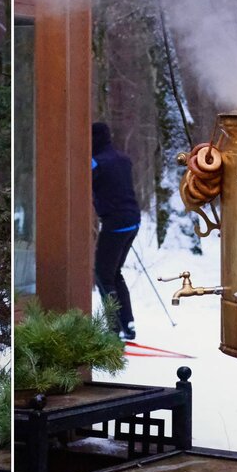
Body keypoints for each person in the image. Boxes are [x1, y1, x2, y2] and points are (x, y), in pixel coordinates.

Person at [92, 122, 140, 340]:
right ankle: (127, 323)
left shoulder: (97, 163)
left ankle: (114, 328)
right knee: (114, 272)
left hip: (115, 222)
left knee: (103, 274)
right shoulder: (123, 159)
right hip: (133, 220)